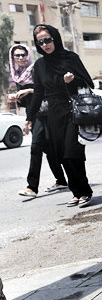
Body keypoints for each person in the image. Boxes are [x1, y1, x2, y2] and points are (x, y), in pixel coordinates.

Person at [27, 24, 94, 208]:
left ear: (55, 38)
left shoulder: (70, 58)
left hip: (73, 110)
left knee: (73, 152)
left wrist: (72, 81)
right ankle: (76, 192)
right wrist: (29, 117)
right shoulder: (40, 65)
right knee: (61, 155)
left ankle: (85, 191)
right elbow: (39, 92)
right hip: (53, 114)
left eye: (48, 39)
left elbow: (88, 82)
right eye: (40, 42)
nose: (45, 44)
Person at [8, 44, 68, 198]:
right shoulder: (18, 75)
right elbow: (28, 101)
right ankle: (61, 180)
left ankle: (32, 188)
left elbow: (49, 89)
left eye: (23, 54)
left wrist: (28, 90)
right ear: (13, 58)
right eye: (17, 55)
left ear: (28, 55)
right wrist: (17, 97)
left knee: (36, 147)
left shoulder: (36, 68)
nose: (21, 58)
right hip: (35, 115)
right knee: (49, 150)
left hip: (48, 113)